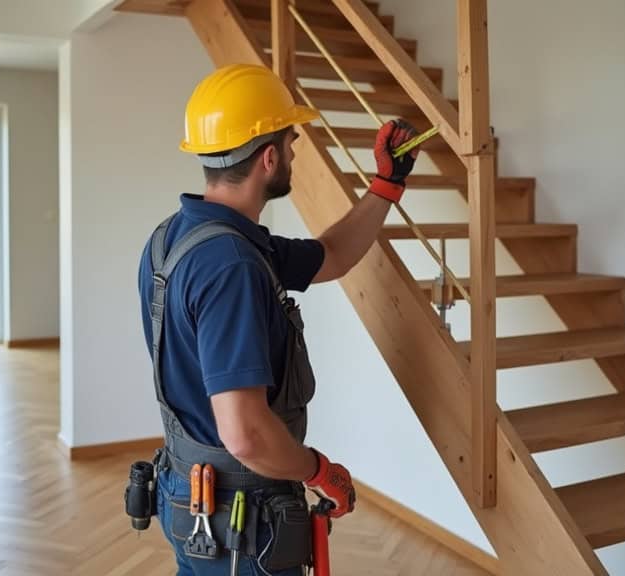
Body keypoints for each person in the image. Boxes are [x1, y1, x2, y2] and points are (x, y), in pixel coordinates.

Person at [138, 63, 420, 576]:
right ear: (269, 158)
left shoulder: (175, 237)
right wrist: (320, 471)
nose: (293, 152)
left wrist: (386, 185)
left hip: (189, 491)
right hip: (242, 515)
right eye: (291, 141)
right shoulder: (233, 265)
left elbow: (330, 256)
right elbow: (244, 433)